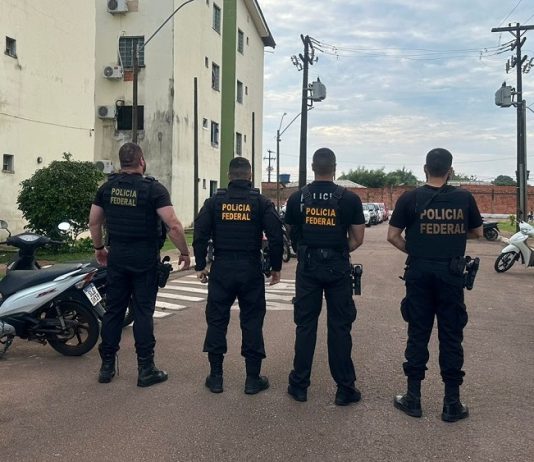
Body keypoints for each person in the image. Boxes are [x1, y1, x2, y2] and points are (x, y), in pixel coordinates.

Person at [387, 148, 483, 422]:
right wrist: (451, 237)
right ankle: (451, 403)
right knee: (451, 335)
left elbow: (393, 236)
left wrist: (417, 250)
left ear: (425, 169)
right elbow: (477, 232)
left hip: (419, 272)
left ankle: (413, 399)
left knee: (418, 333)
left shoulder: (410, 198)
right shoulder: (464, 198)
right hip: (451, 274)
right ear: (450, 171)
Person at [89, 142, 190, 387]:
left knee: (114, 311)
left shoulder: (107, 188)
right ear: (141, 161)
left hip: (117, 257)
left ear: (121, 162)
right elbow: (173, 226)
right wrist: (184, 252)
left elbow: (94, 222)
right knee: (143, 312)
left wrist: (99, 248)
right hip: (144, 258)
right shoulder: (154, 190)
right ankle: (146, 369)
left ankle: (106, 367)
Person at [193, 157, 283, 395]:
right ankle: (252, 379)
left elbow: (200, 233)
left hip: (221, 268)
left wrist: (201, 265)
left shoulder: (214, 202)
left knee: (217, 320)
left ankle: (216, 378)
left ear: (229, 176)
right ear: (250, 176)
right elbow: (276, 236)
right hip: (250, 268)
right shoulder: (261, 202)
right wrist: (275, 268)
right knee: (252, 321)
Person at [284, 148, 365, 405]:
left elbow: (291, 231)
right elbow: (358, 238)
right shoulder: (349, 199)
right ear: (335, 168)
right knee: (340, 327)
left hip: (307, 267)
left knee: (305, 326)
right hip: (338, 269)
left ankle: (299, 386)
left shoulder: (297, 197)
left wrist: (307, 250)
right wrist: (337, 251)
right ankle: (345, 389)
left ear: (312, 167)